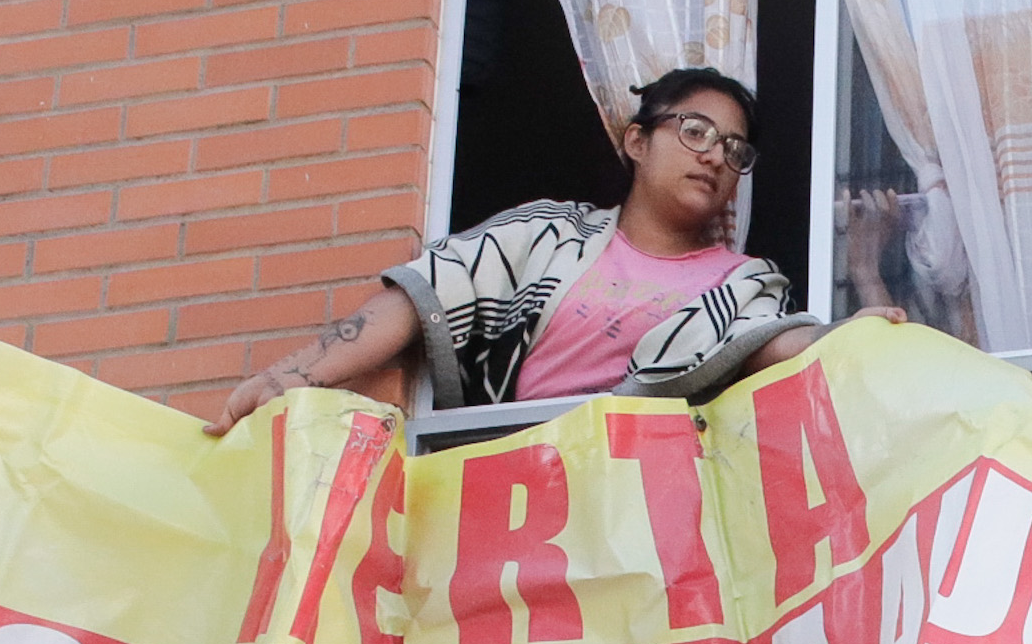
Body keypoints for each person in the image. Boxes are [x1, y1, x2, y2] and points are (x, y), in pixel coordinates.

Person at [206, 67, 893, 434]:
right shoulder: (548, 237)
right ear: (636, 140)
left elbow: (773, 343)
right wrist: (290, 378)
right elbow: (421, 296)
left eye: (733, 148)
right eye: (693, 131)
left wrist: (854, 332)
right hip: (506, 495)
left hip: (641, 513)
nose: (713, 154)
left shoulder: (744, 282)